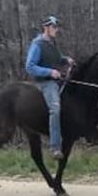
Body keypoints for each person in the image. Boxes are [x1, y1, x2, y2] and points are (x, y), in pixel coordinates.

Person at [25, 15, 75, 159]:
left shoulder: (52, 44)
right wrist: (49, 72)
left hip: (57, 80)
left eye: (57, 27)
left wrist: (67, 60)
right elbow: (30, 66)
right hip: (46, 83)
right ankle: (55, 147)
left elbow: (57, 58)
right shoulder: (37, 44)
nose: (56, 30)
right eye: (54, 27)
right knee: (55, 109)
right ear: (46, 28)